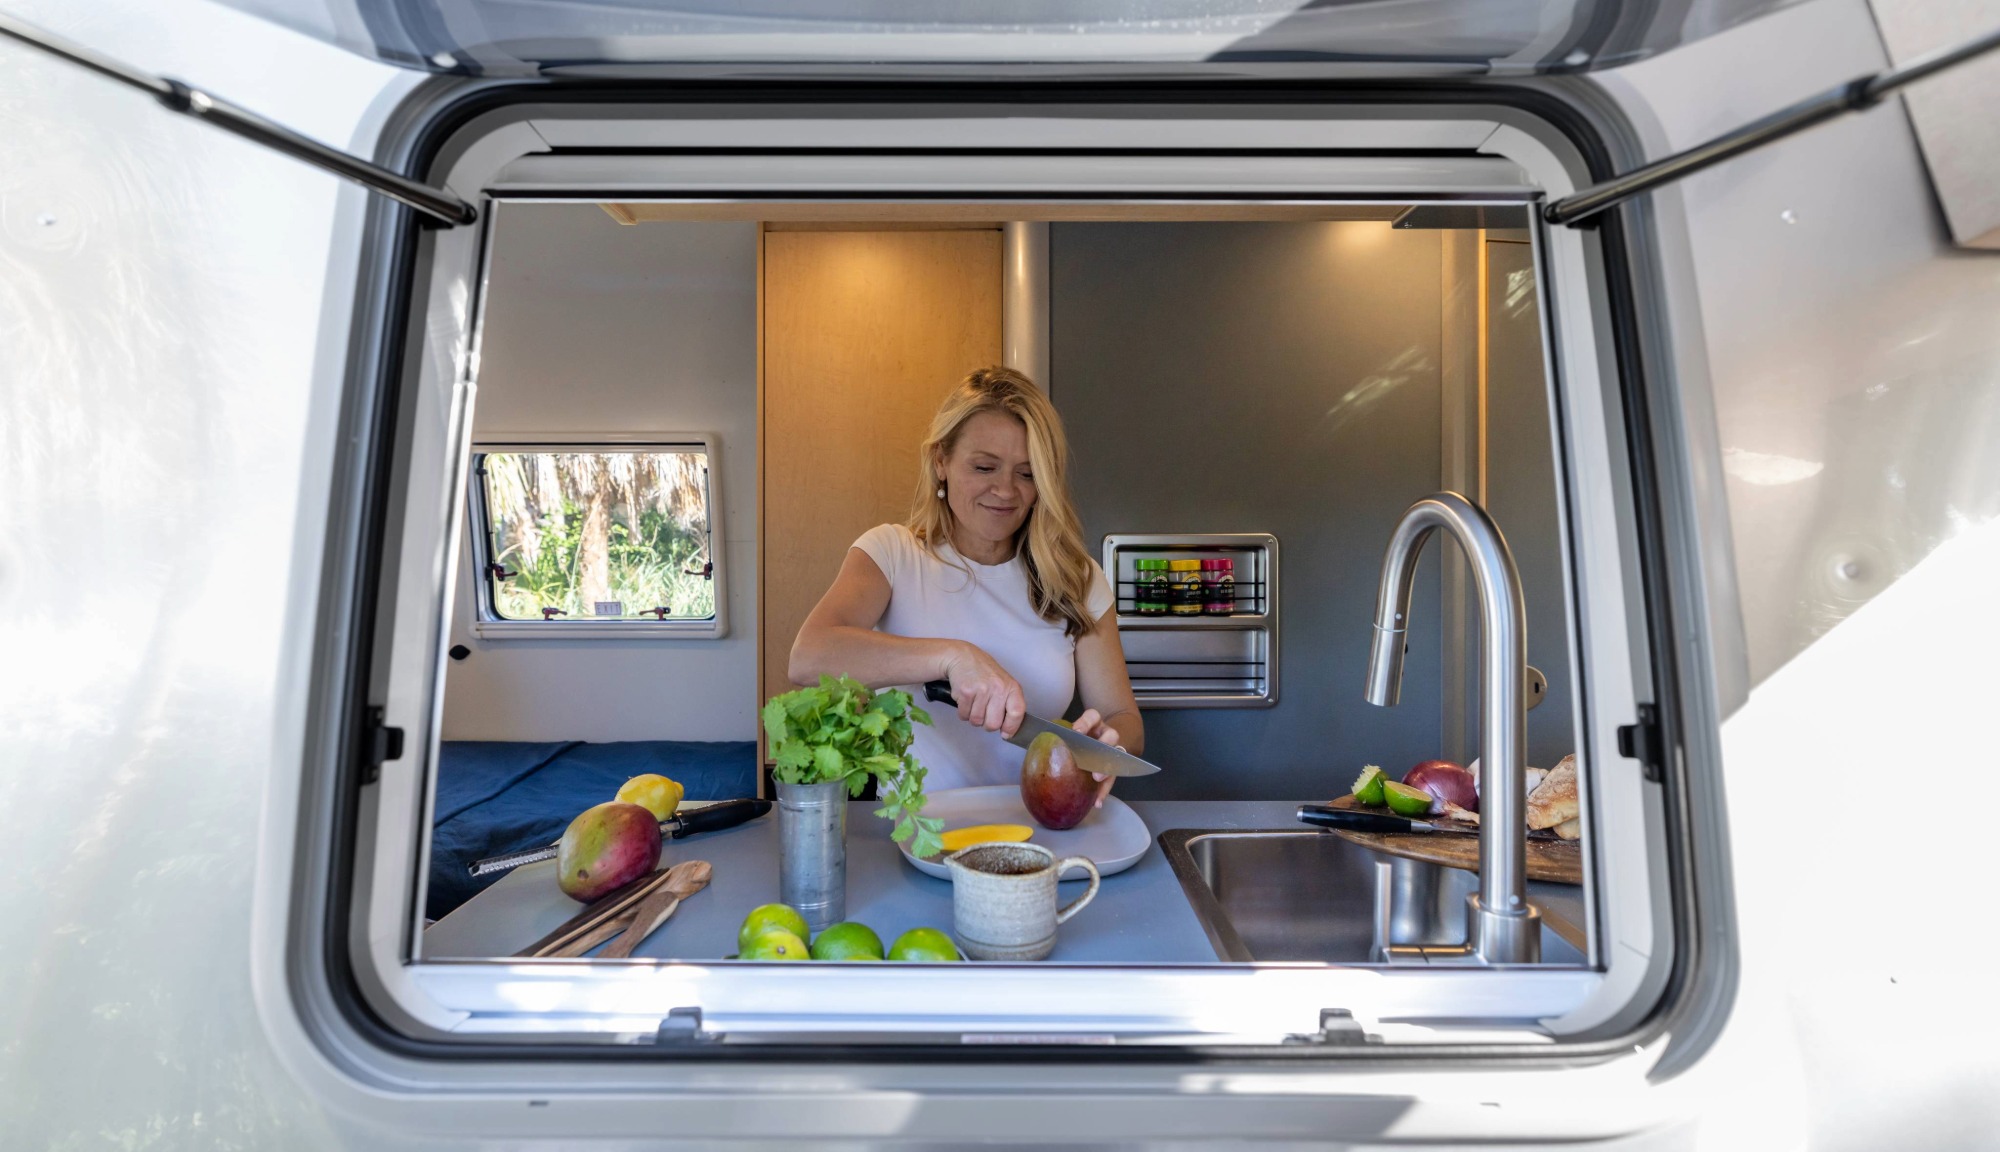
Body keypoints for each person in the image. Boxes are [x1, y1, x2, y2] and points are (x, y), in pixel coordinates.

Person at [789, 366, 1143, 797]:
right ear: (941, 461)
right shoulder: (891, 554)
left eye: (1027, 474)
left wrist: (1108, 745)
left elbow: (1121, 715)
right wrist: (954, 658)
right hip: (917, 837)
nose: (1006, 491)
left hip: (1039, 833)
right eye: (984, 467)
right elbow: (808, 657)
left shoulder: (1077, 577)